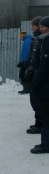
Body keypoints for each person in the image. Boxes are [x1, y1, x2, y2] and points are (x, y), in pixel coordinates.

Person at [30, 16, 49, 153]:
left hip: (45, 82)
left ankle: (46, 144)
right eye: (40, 26)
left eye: (43, 27)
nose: (41, 29)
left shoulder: (47, 42)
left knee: (46, 113)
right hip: (44, 80)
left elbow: (45, 65)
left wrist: (36, 82)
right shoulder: (43, 40)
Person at [25, 16, 43, 134]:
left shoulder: (41, 39)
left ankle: (41, 124)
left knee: (38, 99)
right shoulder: (35, 38)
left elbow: (38, 58)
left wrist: (32, 68)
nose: (32, 28)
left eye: (34, 25)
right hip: (34, 71)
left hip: (39, 72)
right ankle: (39, 122)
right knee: (34, 99)